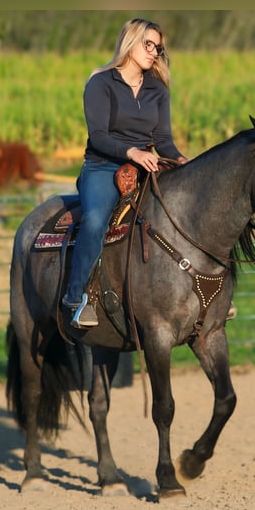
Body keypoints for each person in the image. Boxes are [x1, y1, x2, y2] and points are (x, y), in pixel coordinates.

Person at [62, 18, 188, 328]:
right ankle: (76, 299)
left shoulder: (158, 90)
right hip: (103, 166)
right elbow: (99, 136)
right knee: (93, 223)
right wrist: (131, 152)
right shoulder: (101, 83)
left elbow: (164, 142)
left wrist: (184, 161)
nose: (154, 52)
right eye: (149, 45)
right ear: (131, 42)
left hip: (146, 166)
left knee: (185, 215)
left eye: (158, 48)